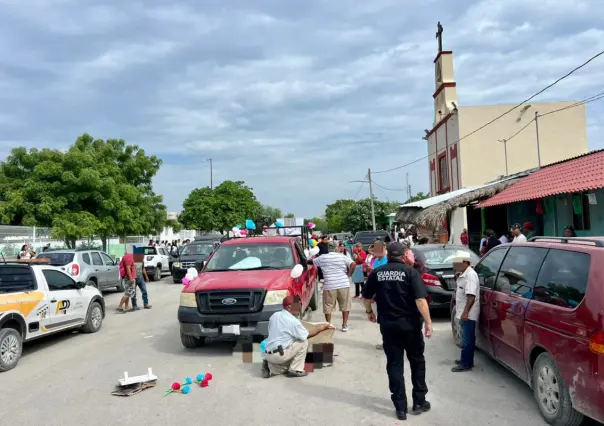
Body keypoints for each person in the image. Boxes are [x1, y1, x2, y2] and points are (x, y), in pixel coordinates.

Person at [362, 242, 433, 421]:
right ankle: (419, 402)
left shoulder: (377, 273)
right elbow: (420, 301)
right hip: (410, 326)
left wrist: (369, 312)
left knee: (394, 365)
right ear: (403, 255)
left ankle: (400, 407)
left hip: (389, 326)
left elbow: (366, 296)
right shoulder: (410, 272)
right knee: (417, 362)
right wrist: (429, 323)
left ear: (388, 254)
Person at [261, 295, 335, 378]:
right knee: (303, 342)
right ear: (289, 307)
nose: (299, 308)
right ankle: (295, 369)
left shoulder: (274, 316)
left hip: (267, 354)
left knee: (286, 360)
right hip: (279, 355)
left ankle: (271, 368)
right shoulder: (293, 321)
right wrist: (321, 328)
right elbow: (306, 335)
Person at [309, 246, 356, 332]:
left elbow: (310, 262)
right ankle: (344, 325)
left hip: (329, 285)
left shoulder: (322, 258)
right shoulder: (343, 256)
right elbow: (353, 264)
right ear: (336, 249)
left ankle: (328, 325)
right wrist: (349, 274)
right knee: (345, 306)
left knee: (328, 306)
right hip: (343, 284)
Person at [452, 251, 480, 372]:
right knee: (466, 337)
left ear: (465, 263)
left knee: (467, 339)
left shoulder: (470, 275)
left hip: (468, 312)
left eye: (457, 263)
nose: (455, 265)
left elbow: (471, 296)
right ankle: (467, 359)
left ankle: (466, 363)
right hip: (463, 311)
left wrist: (465, 312)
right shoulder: (463, 274)